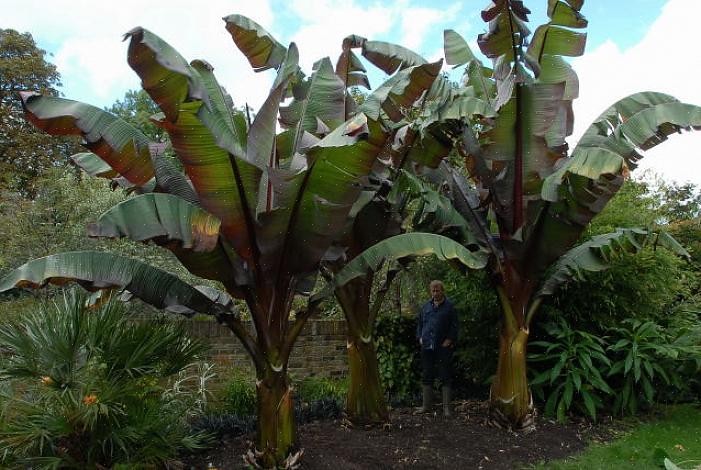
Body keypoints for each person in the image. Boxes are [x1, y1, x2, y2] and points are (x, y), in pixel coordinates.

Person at [416, 280, 458, 417]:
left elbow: (455, 326)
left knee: (445, 375)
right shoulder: (425, 307)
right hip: (427, 346)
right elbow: (420, 324)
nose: (435, 293)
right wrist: (420, 337)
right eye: (433, 291)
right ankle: (426, 406)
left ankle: (447, 409)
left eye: (437, 290)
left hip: (442, 347)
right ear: (430, 291)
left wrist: (449, 340)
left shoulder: (449, 307)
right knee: (427, 374)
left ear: (442, 291)